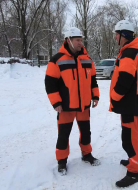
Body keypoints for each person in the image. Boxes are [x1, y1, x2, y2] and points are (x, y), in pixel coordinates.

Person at [45, 27, 100, 175]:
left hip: (83, 107)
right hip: (65, 108)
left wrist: (95, 96)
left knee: (86, 133)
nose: (80, 43)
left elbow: (93, 80)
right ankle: (62, 161)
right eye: (77, 40)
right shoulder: (57, 60)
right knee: (63, 135)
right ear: (68, 40)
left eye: (81, 40)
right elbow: (50, 83)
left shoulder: (87, 60)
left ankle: (86, 154)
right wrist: (56, 103)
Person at [109, 20, 138, 187]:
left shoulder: (129, 53)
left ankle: (133, 172)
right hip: (133, 103)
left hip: (129, 104)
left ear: (123, 35)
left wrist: (114, 97)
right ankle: (137, 160)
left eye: (116, 34)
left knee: (128, 139)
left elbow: (124, 81)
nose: (115, 37)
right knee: (134, 135)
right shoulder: (133, 51)